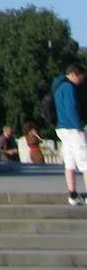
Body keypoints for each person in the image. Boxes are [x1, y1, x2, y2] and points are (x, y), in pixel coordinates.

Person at [51, 62, 86, 205]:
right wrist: (80, 127)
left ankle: (72, 195)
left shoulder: (57, 85)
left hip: (62, 128)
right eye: (81, 77)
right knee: (85, 163)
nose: (81, 81)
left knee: (70, 163)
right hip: (72, 129)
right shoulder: (68, 87)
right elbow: (71, 108)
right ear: (73, 75)